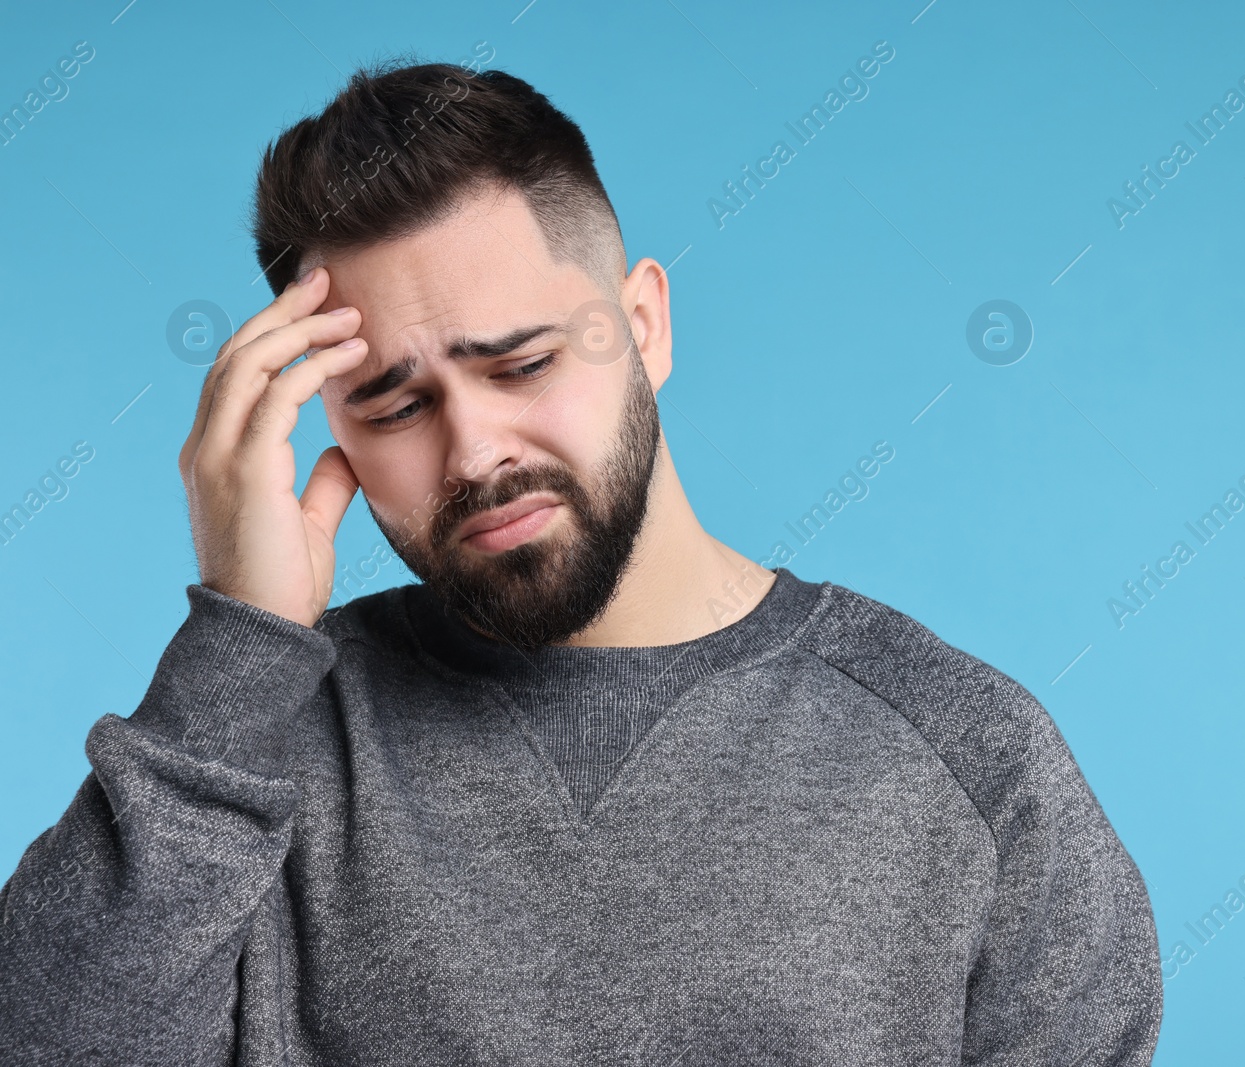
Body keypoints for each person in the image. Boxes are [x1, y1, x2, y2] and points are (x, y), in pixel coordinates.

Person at [0, 59, 1161, 1065]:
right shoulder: (258, 741)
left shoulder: (968, 758)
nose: (476, 450)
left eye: (519, 363)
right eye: (395, 403)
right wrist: (236, 646)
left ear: (641, 323)